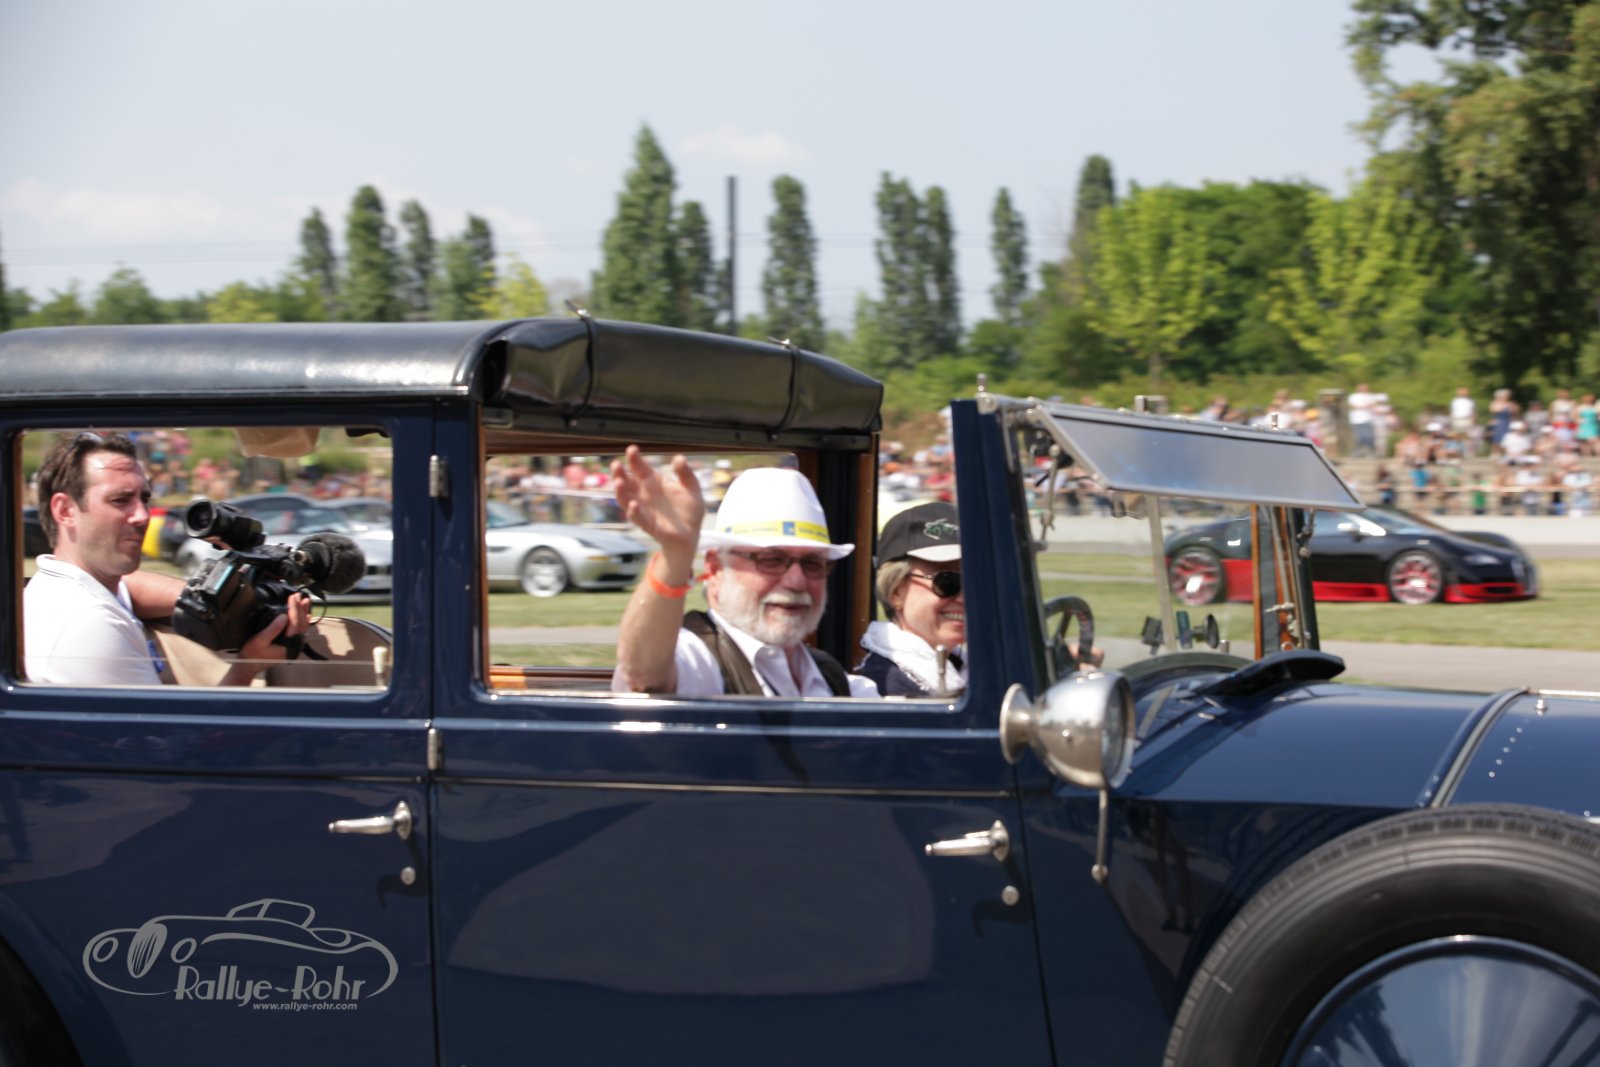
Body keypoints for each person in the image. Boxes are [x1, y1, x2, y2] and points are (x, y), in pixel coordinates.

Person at [24, 431, 308, 686]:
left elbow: (129, 585)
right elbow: (173, 732)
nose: (143, 516)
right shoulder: (90, 626)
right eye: (120, 500)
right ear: (65, 510)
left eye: (144, 499)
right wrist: (248, 666)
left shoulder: (64, 586)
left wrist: (228, 599)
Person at [609, 446, 878, 698]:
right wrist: (676, 554)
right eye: (771, 560)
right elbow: (643, 673)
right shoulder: (699, 660)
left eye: (812, 563)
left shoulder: (833, 679)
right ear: (715, 569)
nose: (796, 581)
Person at [856, 502, 967, 697]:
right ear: (895, 591)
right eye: (947, 581)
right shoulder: (883, 687)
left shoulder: (965, 667)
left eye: (975, 582)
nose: (964, 598)